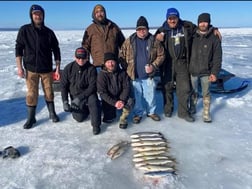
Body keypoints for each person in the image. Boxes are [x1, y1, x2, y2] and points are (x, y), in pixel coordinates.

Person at [15, 4, 60, 129]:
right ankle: (31, 117)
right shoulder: (24, 30)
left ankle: (52, 113)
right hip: (31, 69)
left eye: (40, 14)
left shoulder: (49, 32)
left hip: (46, 69)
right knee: (31, 94)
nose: (37, 16)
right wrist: (19, 67)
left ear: (43, 15)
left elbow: (56, 50)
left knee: (49, 92)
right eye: (35, 14)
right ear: (31, 15)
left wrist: (57, 68)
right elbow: (18, 48)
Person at [119, 16, 165, 124]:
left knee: (151, 95)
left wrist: (153, 66)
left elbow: (161, 55)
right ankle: (138, 114)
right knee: (137, 96)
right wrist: (126, 67)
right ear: (136, 30)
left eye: (144, 29)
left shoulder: (153, 41)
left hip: (148, 75)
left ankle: (151, 112)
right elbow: (121, 54)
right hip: (134, 75)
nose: (142, 31)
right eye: (139, 29)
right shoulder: (129, 41)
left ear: (147, 29)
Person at [189, 13, 222, 122]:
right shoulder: (192, 35)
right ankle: (192, 108)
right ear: (198, 23)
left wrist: (215, 73)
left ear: (209, 23)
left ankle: (206, 113)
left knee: (206, 93)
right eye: (201, 22)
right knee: (193, 91)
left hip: (206, 71)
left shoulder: (214, 38)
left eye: (205, 22)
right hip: (193, 70)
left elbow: (217, 57)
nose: (203, 24)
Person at [61, 47, 101, 135]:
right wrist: (65, 101)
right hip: (75, 96)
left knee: (93, 102)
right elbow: (64, 86)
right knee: (79, 118)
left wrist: (80, 98)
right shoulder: (68, 68)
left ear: (87, 58)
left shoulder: (91, 69)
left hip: (88, 95)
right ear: (75, 57)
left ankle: (96, 125)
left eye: (83, 58)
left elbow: (92, 87)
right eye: (78, 58)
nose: (81, 60)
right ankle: (86, 110)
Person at [97, 52, 134, 129]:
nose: (110, 64)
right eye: (108, 62)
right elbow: (102, 92)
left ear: (116, 62)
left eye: (112, 61)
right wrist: (114, 103)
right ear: (105, 63)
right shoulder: (102, 75)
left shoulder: (122, 73)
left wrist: (122, 100)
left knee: (130, 101)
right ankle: (108, 110)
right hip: (110, 98)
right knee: (109, 119)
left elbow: (126, 87)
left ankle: (123, 118)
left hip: (121, 97)